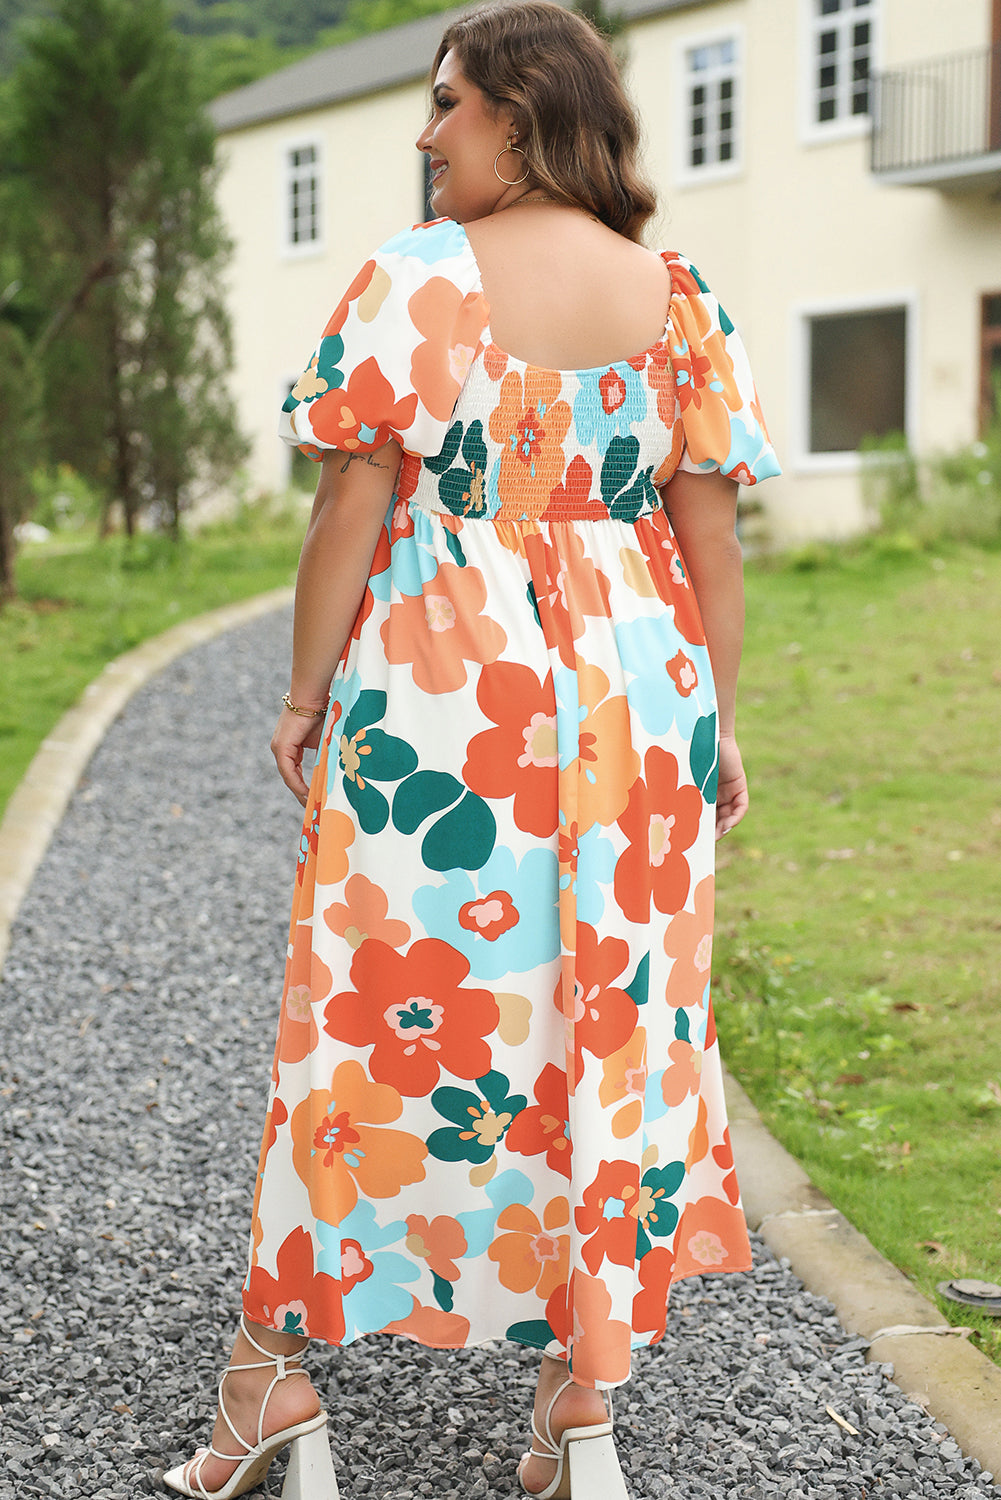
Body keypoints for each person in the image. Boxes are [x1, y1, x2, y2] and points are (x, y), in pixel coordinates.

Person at [164, 3, 780, 1497]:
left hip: (451, 688)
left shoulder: (416, 281)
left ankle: (273, 1385)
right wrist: (715, 723)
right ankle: (580, 1407)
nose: (427, 132)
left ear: (520, 109)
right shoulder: (680, 295)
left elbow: (349, 512)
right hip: (639, 694)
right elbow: (711, 538)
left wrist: (305, 700)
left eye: (445, 103)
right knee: (606, 1030)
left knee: (374, 1008)